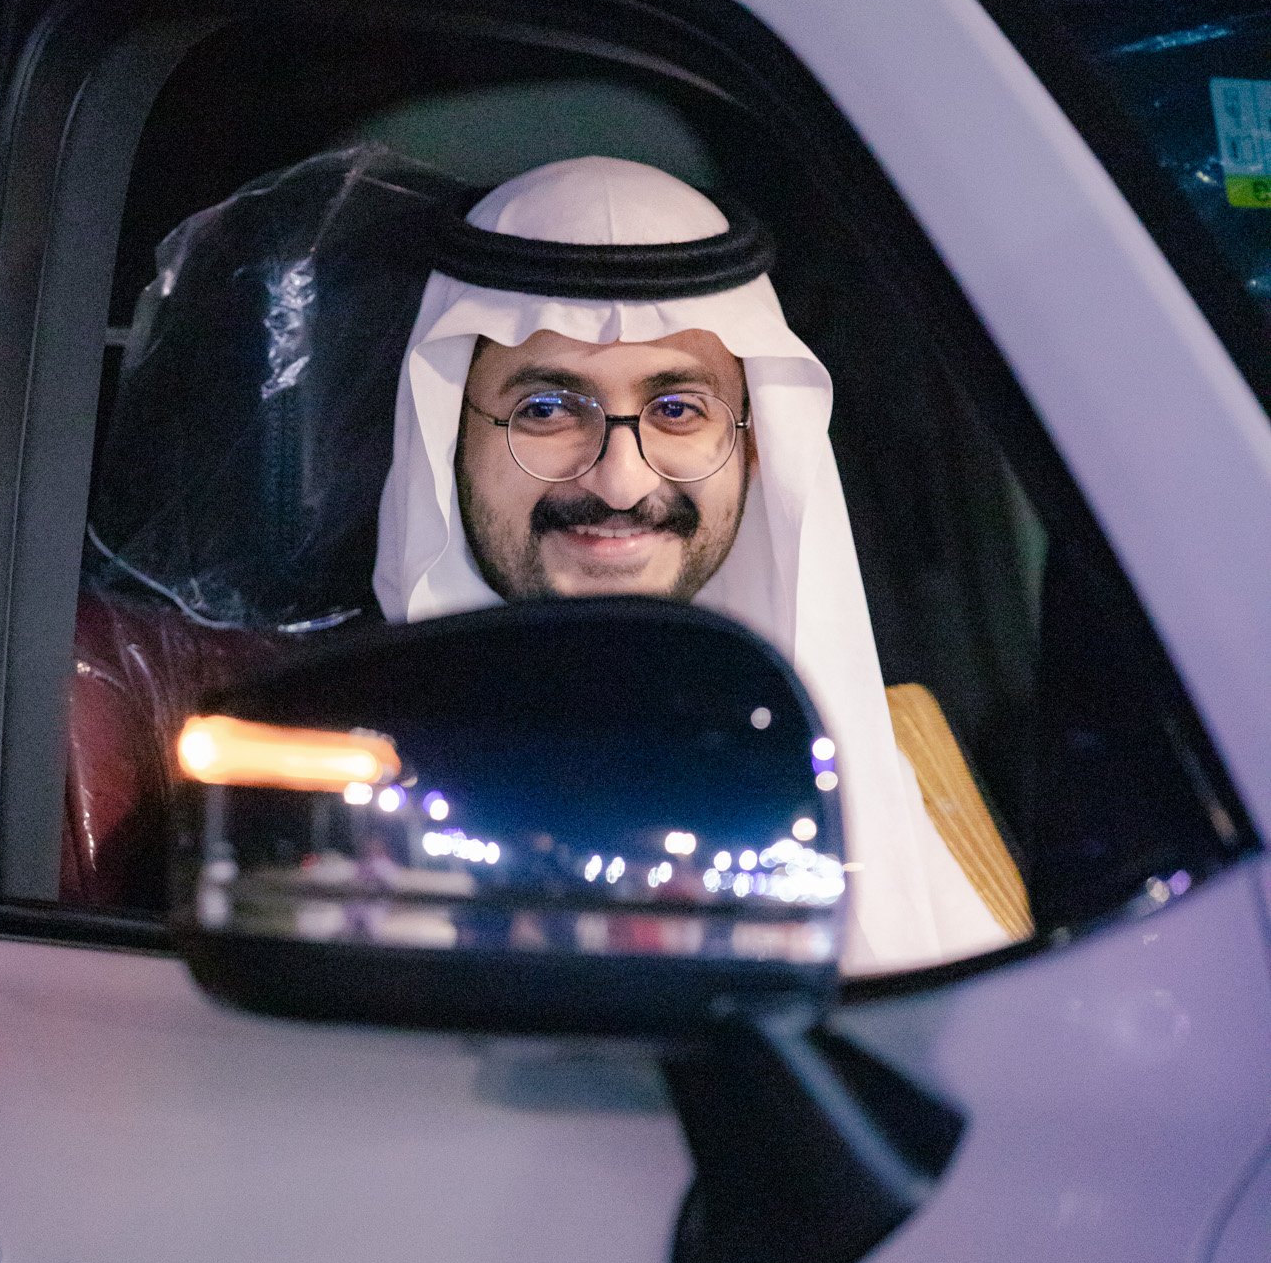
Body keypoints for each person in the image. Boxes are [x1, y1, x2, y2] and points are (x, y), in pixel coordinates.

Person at [374, 155, 1028, 972]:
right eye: (544, 410)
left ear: (754, 445)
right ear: (448, 438)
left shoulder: (904, 767)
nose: (619, 483)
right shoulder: (339, 777)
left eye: (678, 409)